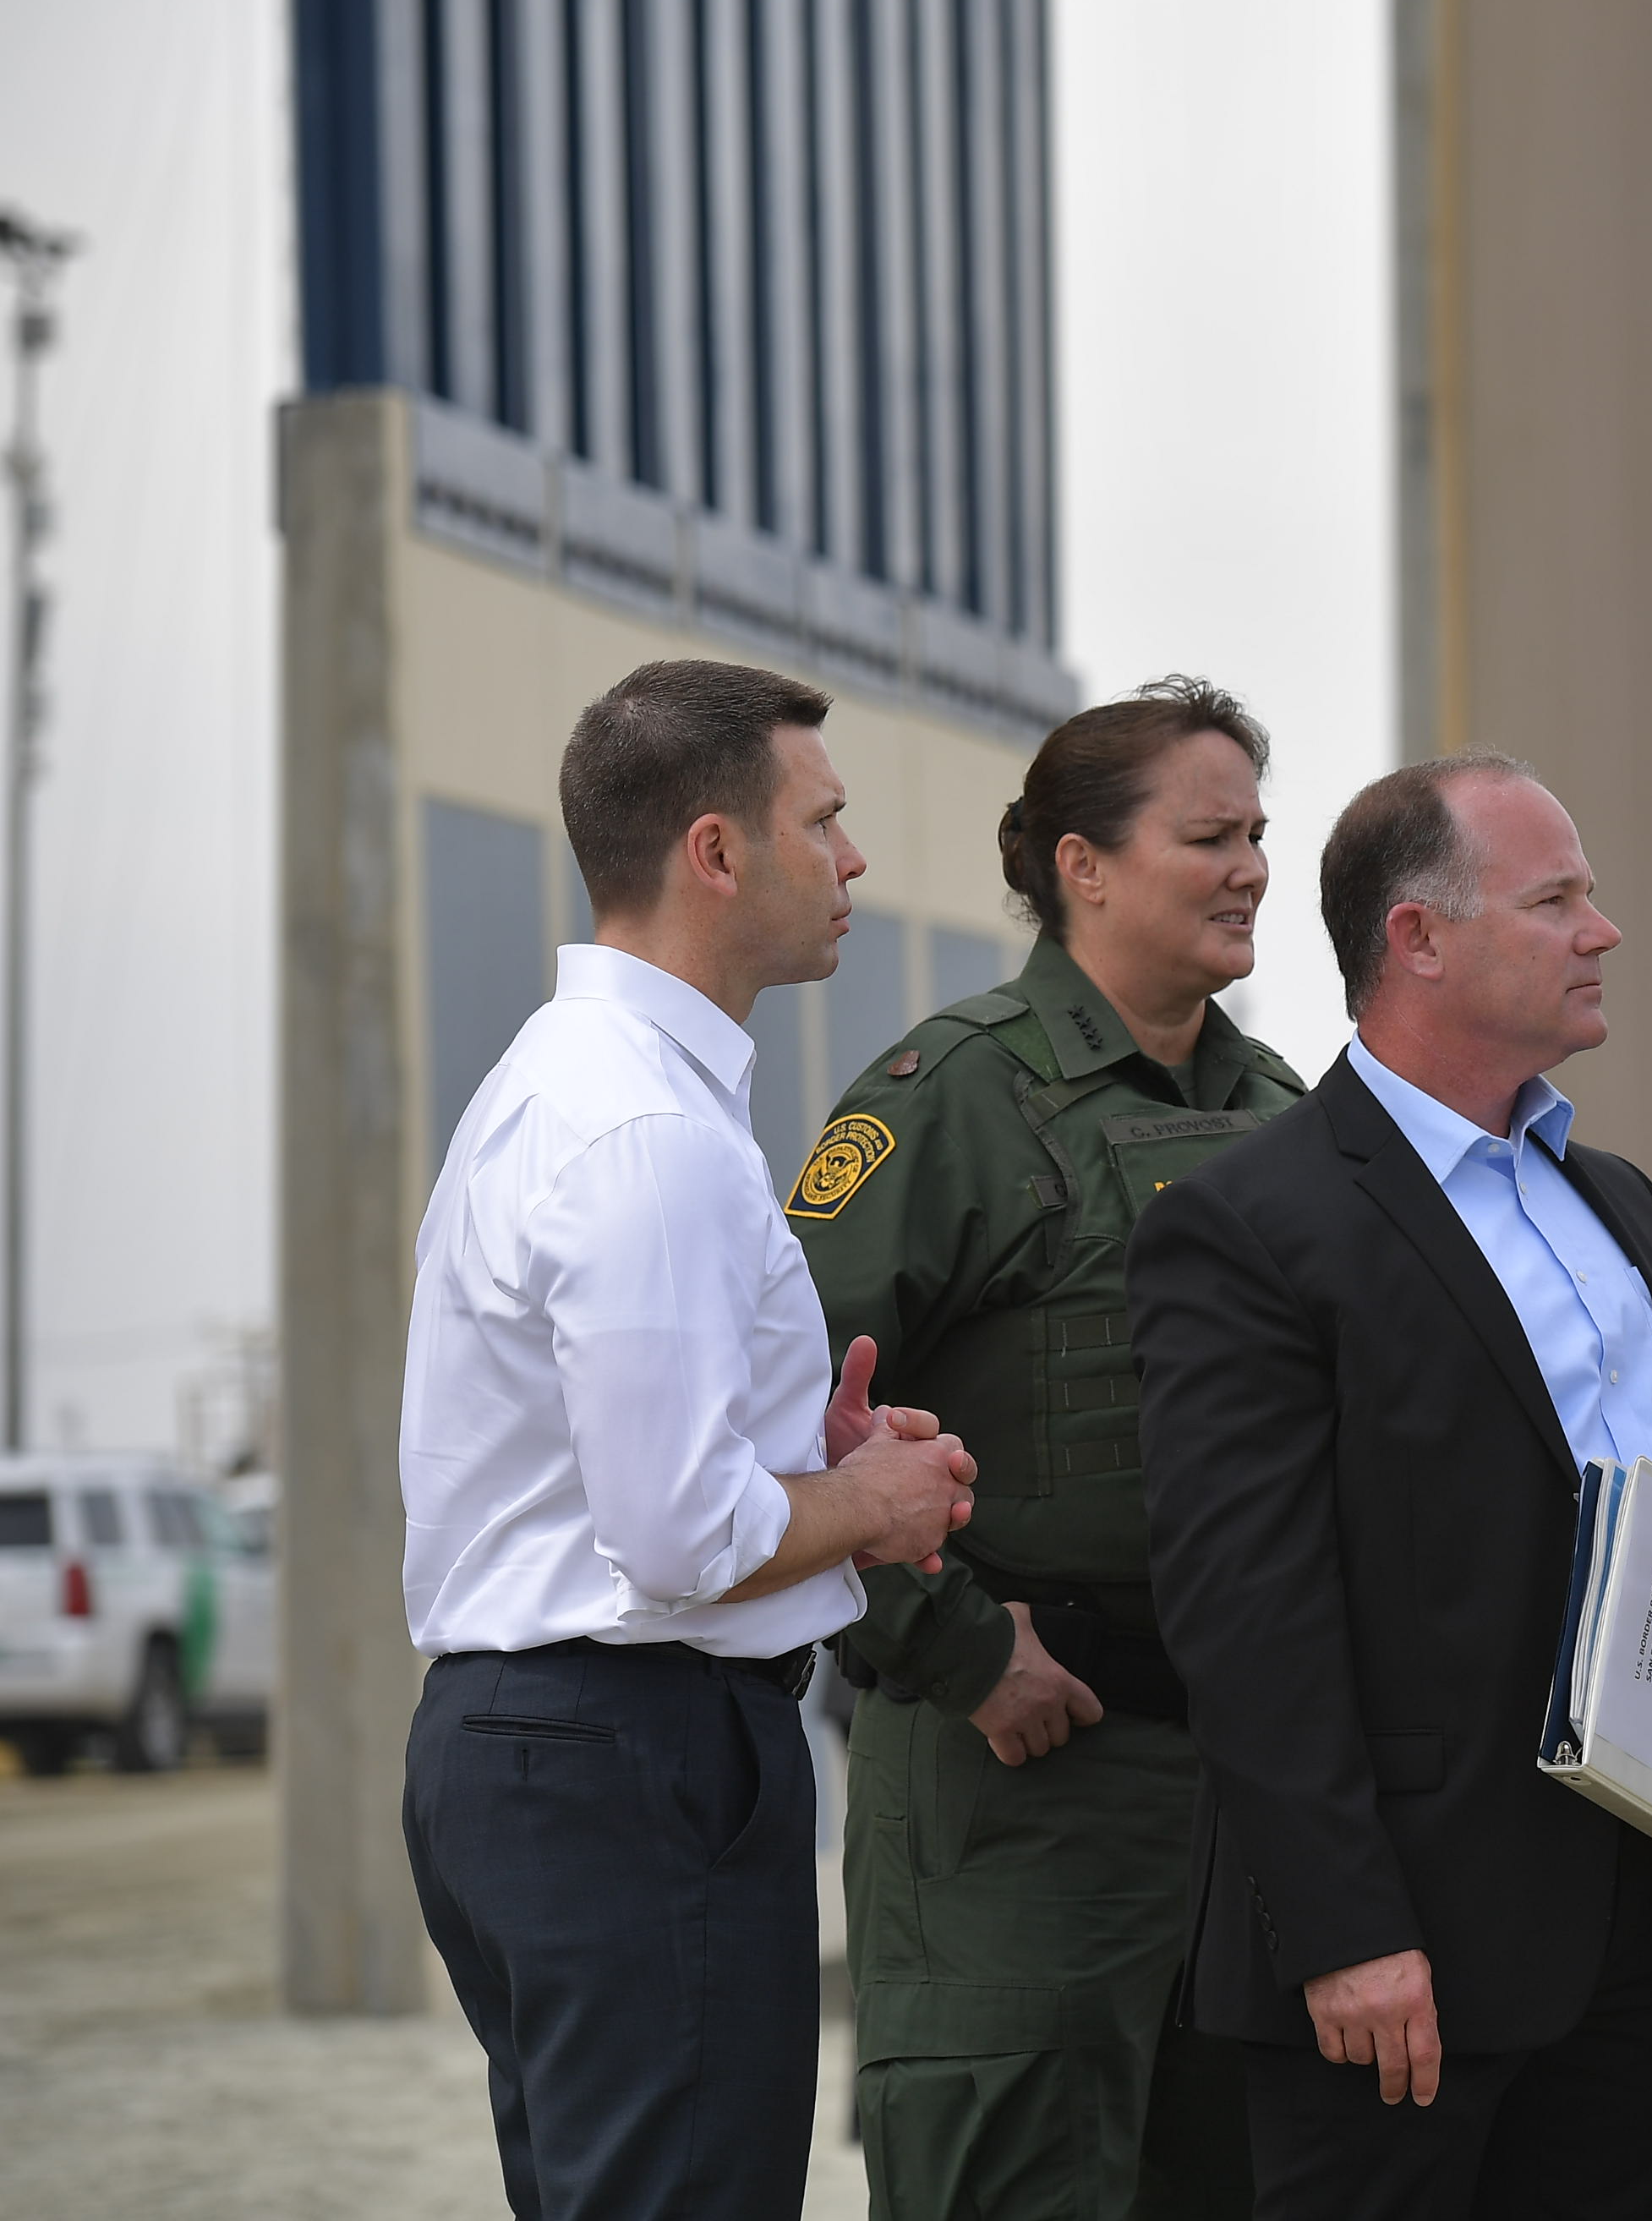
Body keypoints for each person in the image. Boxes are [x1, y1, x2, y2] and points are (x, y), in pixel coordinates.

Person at [1130, 753, 1652, 2219]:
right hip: (1407, 1958)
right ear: (1419, 938)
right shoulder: (1254, 1227)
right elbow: (1246, 1615)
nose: (1604, 930)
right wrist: (1344, 1929)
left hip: (1646, 1903)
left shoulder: (1615, 1198)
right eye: (1559, 896)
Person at [398, 660, 977, 2219]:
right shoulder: (644, 1127)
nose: (853, 860)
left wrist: (814, 1449)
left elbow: (620, 1473)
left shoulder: (569, 1084)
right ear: (716, 852)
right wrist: (862, 1497)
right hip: (623, 1749)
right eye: (826, 819)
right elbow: (680, 1537)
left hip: (551, 1745)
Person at [790, 677, 1302, 2217]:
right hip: (1014, 1811)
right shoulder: (948, 1101)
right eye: (1209, 835)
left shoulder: (1287, 1119)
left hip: (1245, 1817)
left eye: (1260, 834)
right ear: (1082, 865)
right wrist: (953, 1648)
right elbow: (776, 1420)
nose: (1252, 868)